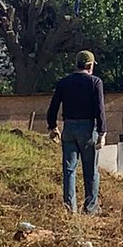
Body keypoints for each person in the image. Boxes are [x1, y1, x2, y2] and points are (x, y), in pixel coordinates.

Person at [46, 50, 107, 215]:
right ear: (89, 65)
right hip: (88, 129)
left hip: (69, 129)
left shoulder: (63, 82)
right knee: (91, 171)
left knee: (69, 170)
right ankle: (90, 208)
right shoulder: (95, 82)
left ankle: (69, 209)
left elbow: (53, 108)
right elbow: (100, 109)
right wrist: (102, 133)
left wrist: (53, 127)